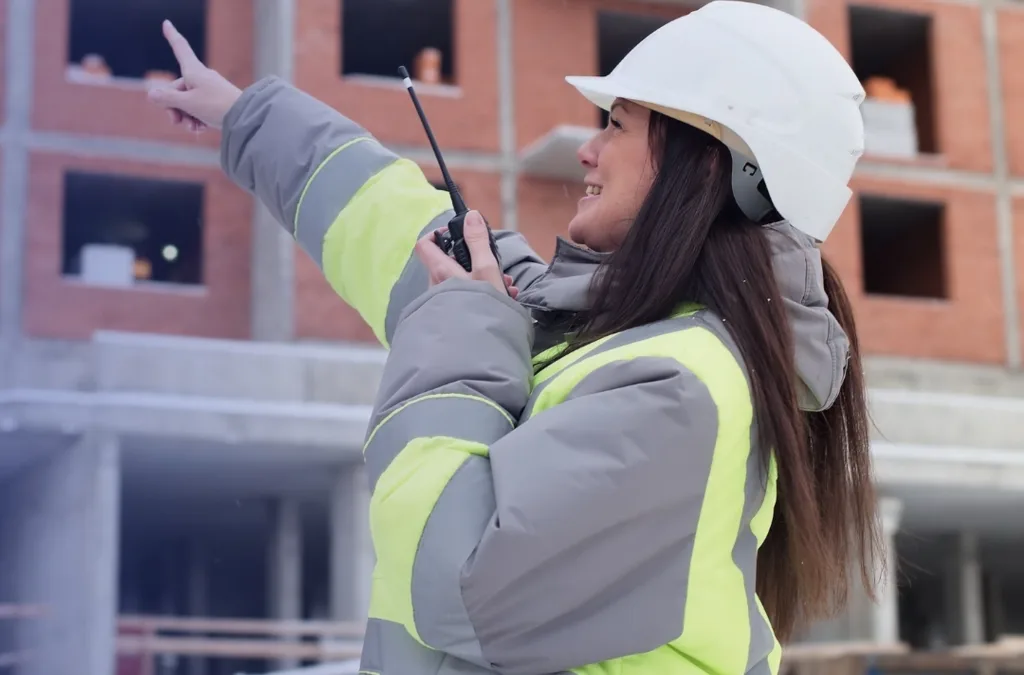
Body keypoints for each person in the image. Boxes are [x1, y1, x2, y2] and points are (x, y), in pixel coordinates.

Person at [149, 2, 883, 673]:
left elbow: (461, 581)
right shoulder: (598, 328)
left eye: (618, 125)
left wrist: (465, 330)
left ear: (709, 163)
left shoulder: (686, 384)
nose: (588, 151)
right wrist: (246, 116)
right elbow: (400, 226)